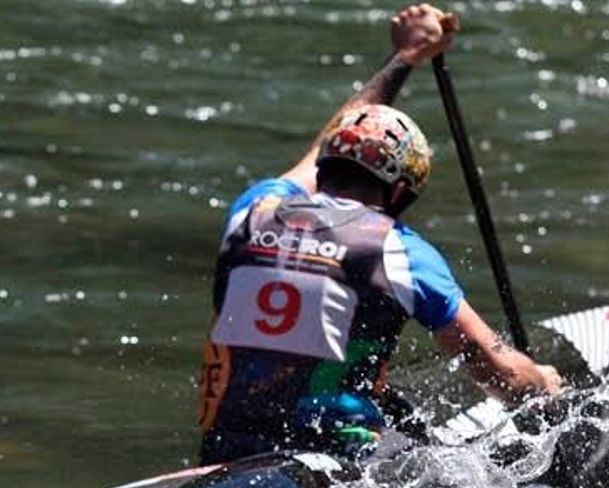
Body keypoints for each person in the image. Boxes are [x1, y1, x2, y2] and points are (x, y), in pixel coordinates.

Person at [197, 4, 563, 464]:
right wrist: (544, 386)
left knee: (394, 405)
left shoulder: (254, 209)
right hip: (339, 470)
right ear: (400, 194)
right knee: (452, 464)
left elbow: (329, 139)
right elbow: (498, 372)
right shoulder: (397, 250)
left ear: (327, 166)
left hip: (226, 452)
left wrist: (405, 57)